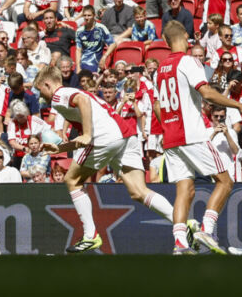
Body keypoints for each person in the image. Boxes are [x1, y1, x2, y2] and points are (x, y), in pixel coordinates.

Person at [33, 65, 176, 253]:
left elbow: (83, 104)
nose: (41, 95)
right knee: (138, 191)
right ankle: (181, 221)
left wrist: (87, 134)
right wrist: (60, 148)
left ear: (47, 83)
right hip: (126, 135)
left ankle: (90, 235)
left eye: (40, 89)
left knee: (72, 180)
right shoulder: (73, 93)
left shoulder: (60, 95)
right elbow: (84, 136)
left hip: (105, 137)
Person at [155, 20, 242, 254]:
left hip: (171, 138)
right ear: (187, 36)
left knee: (184, 190)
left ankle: (180, 243)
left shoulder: (161, 68)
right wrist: (240, 106)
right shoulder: (188, 61)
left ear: (166, 42)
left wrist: (167, 128)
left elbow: (158, 106)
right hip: (192, 135)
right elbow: (206, 92)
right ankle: (207, 229)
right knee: (226, 181)